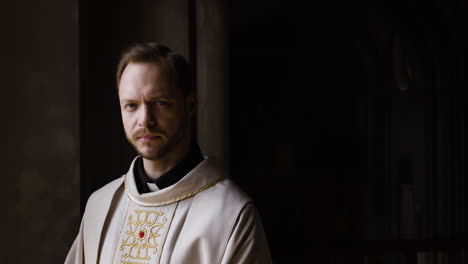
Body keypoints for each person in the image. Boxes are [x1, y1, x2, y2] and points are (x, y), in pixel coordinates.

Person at [65, 43, 272, 264]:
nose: (145, 119)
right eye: (132, 105)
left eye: (160, 103)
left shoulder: (232, 214)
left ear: (190, 105)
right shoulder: (100, 205)